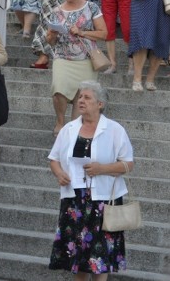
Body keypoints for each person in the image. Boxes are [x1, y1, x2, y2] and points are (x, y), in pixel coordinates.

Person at [49, 82, 134, 279]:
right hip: (74, 199)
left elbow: (128, 164)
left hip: (103, 200)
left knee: (100, 257)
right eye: (80, 97)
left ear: (100, 104)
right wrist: (59, 173)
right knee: (77, 257)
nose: (81, 100)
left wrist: (102, 168)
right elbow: (53, 159)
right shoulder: (68, 129)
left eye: (87, 98)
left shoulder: (114, 129)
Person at [46, 0, 107, 132]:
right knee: (58, 88)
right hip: (62, 56)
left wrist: (82, 32)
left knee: (81, 95)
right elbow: (50, 42)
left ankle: (73, 128)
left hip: (85, 58)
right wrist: (51, 35)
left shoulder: (91, 7)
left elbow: (103, 33)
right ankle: (60, 122)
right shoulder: (57, 11)